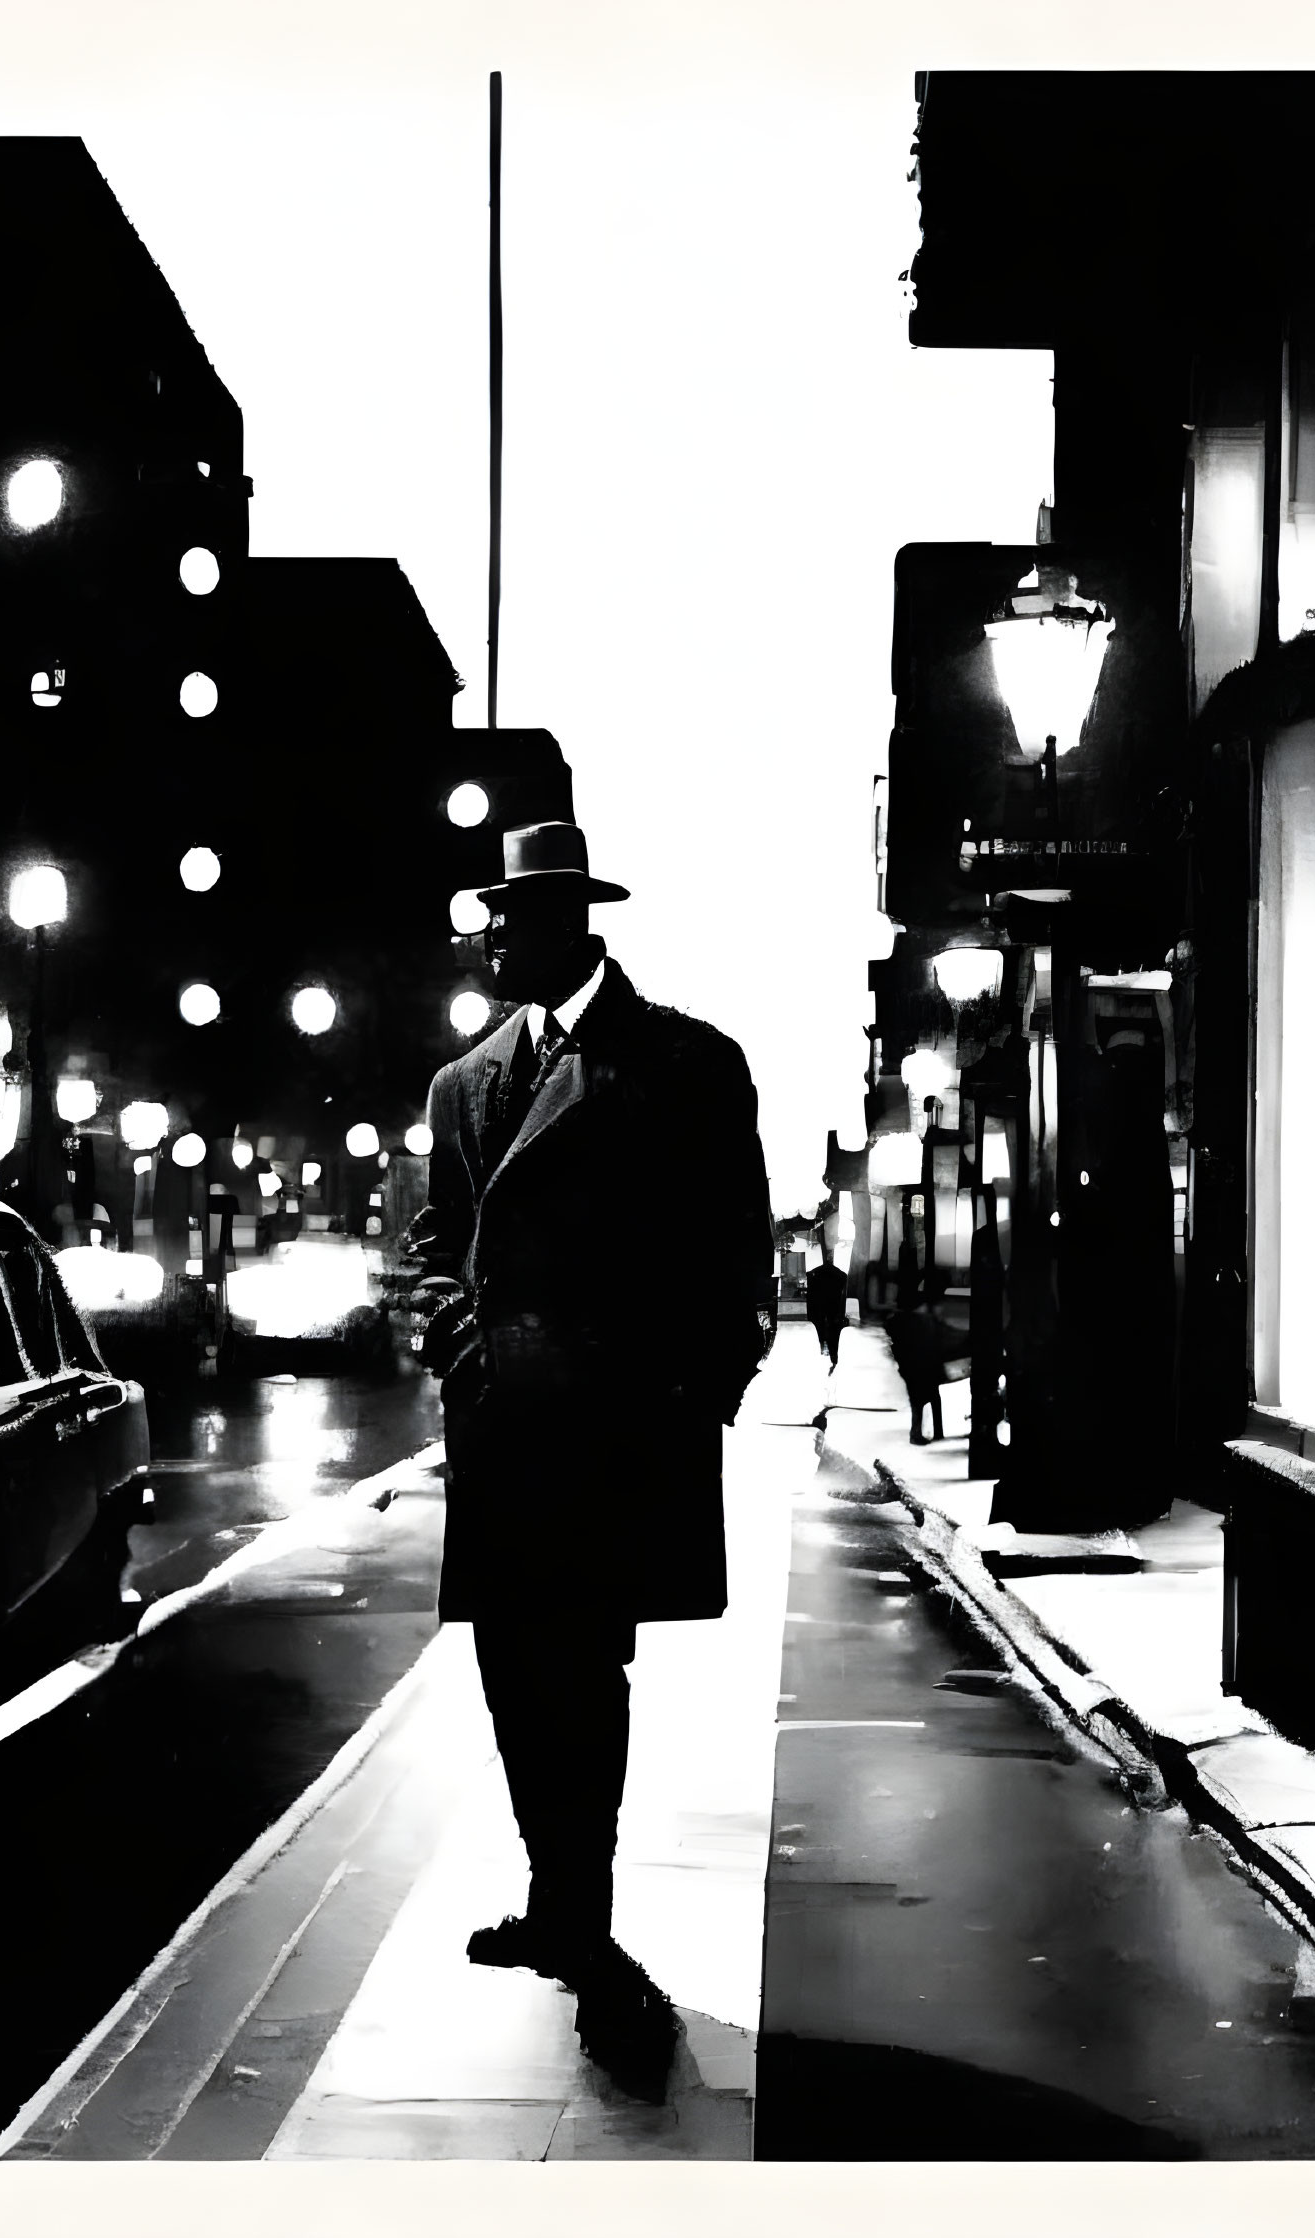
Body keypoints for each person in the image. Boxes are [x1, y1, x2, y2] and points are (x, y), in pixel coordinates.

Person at [403, 800, 774, 2095]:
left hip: (613, 1436)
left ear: (564, 926)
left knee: (585, 1678)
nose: (490, 941)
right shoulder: (463, 1084)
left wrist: (689, 1397)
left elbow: (740, 1255)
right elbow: (433, 1244)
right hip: (506, 1433)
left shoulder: (682, 1063)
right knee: (517, 1677)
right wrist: (460, 1347)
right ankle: (557, 1900)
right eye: (491, 920)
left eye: (508, 921)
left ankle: (584, 1910)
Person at [804, 1253, 848, 1369]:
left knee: (820, 1324)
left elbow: (810, 1285)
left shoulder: (815, 1272)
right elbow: (843, 1281)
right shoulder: (839, 1273)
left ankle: (823, 1344)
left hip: (819, 1303)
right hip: (833, 1303)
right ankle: (833, 1353)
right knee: (833, 1326)